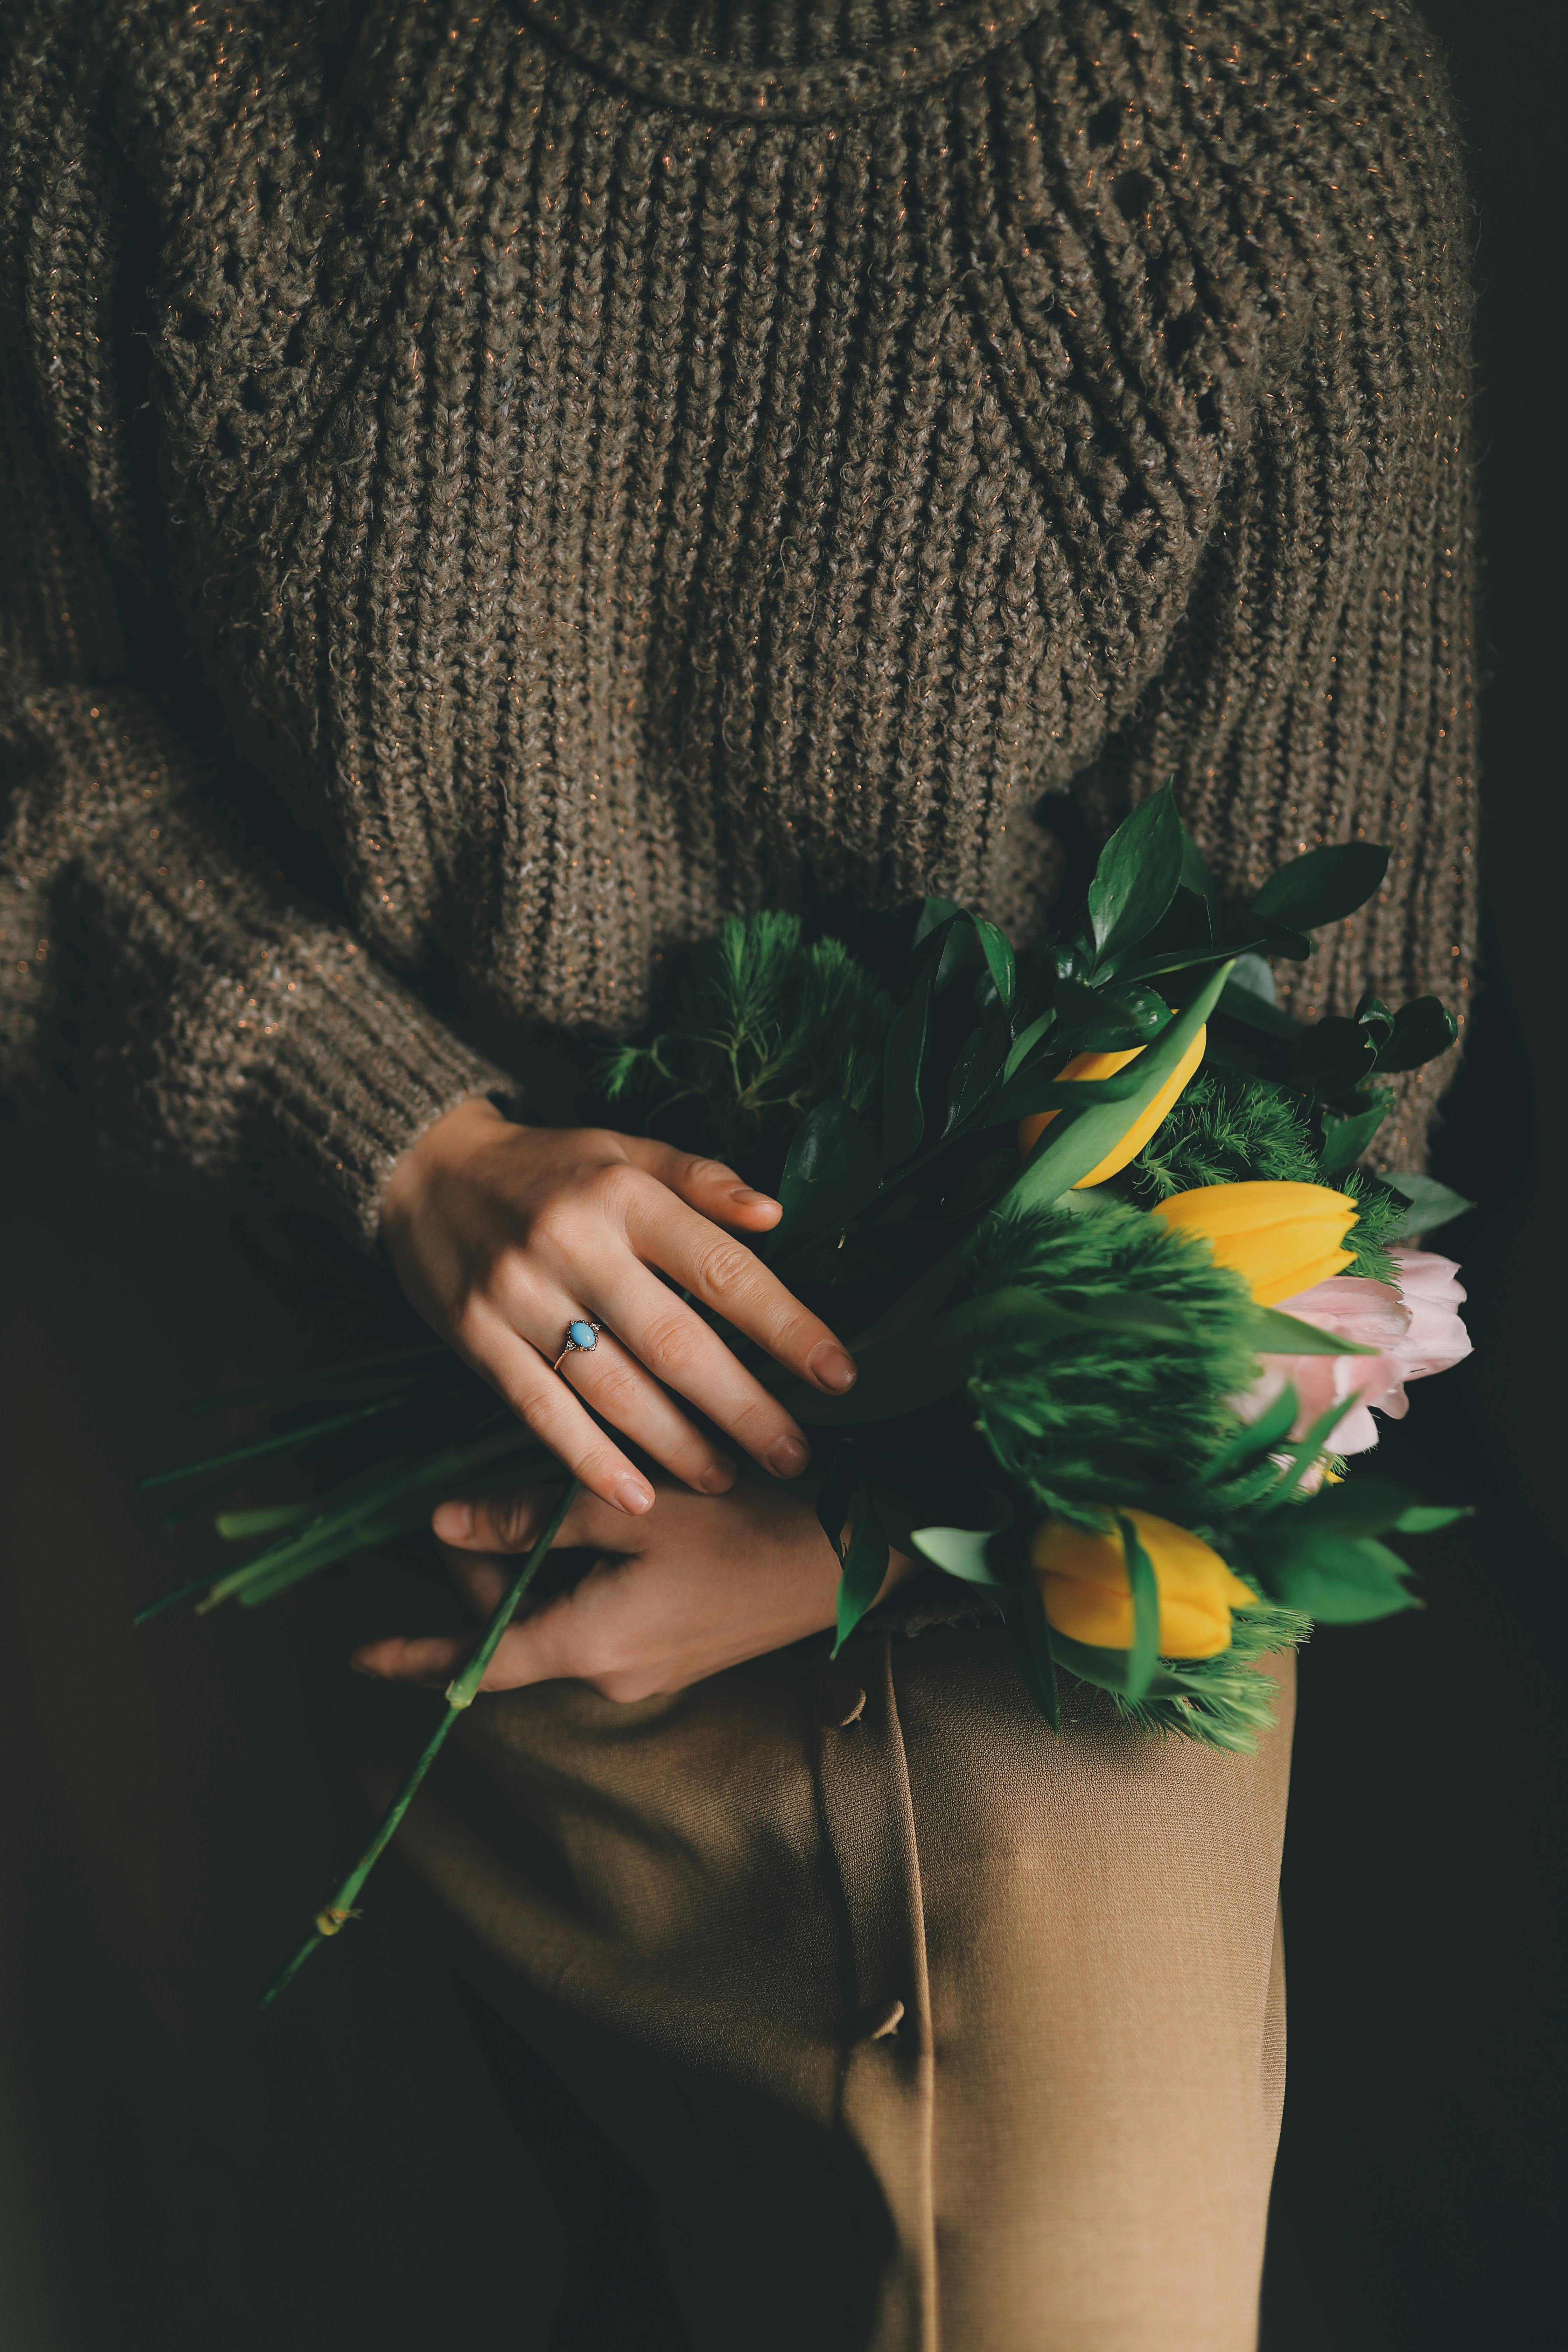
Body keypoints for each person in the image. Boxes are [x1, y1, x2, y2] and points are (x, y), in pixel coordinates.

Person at [0, 2, 1477, 2344]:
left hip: (1035, 1553)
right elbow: (37, 728)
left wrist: (839, 1533)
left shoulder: (1263, 94)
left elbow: (1326, 1047)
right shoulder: (180, 57)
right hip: (336, 1463)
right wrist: (401, 1133)